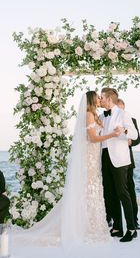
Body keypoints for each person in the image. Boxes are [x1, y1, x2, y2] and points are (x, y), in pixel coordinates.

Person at [13, 91, 122, 248]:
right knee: (87, 190)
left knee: (92, 189)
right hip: (89, 159)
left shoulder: (95, 115)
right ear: (92, 99)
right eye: (98, 97)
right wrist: (112, 135)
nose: (100, 99)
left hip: (94, 158)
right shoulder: (88, 115)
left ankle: (90, 224)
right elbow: (92, 138)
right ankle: (84, 226)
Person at [100, 88, 138, 242]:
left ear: (109, 99)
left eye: (102, 97)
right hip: (104, 157)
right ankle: (117, 227)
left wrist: (125, 130)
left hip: (120, 159)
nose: (100, 100)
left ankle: (131, 228)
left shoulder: (123, 114)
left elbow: (134, 134)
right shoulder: (101, 116)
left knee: (123, 193)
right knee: (109, 193)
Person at [117, 98, 140, 230]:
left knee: (130, 190)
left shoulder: (131, 120)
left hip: (128, 161)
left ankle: (134, 220)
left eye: (122, 110)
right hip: (113, 160)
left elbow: (138, 140)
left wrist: (129, 141)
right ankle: (112, 219)